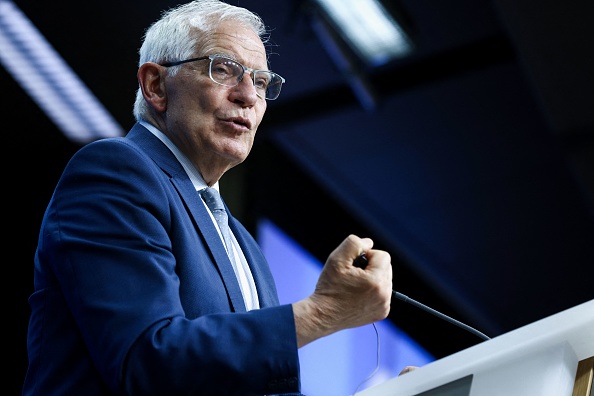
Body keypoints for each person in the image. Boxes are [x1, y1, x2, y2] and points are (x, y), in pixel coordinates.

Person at [22, 1, 394, 394]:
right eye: (224, 70)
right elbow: (148, 360)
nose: (249, 96)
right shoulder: (115, 171)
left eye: (262, 82)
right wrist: (322, 312)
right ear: (155, 85)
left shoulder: (243, 244)